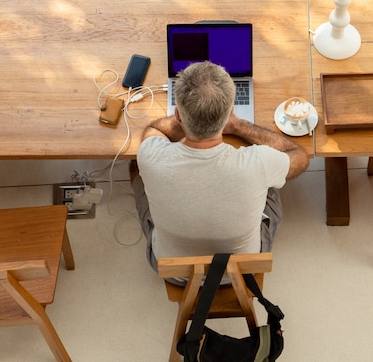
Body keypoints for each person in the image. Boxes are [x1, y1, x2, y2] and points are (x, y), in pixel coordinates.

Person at [131, 61, 309, 282]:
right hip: (242, 271)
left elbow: (154, 129)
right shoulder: (259, 162)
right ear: (229, 113)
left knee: (135, 168)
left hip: (174, 272)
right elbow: (299, 156)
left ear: (177, 115)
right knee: (271, 182)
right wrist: (238, 126)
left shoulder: (151, 155)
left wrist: (191, 118)